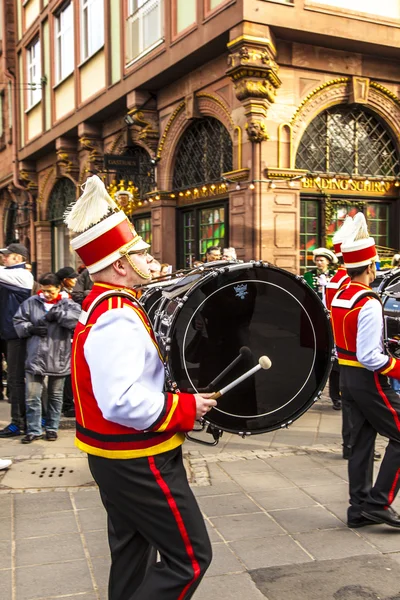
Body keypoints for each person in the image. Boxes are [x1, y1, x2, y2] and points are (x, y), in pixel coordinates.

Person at [65, 175, 214, 599]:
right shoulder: (116, 314)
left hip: (116, 457)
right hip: (138, 459)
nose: (150, 258)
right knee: (190, 557)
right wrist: (186, 408)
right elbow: (121, 401)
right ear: (118, 264)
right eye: (141, 252)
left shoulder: (107, 303)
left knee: (132, 556)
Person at [331, 213, 400, 528]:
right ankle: (378, 503)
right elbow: (370, 355)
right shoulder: (369, 302)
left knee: (360, 444)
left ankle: (358, 509)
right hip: (370, 379)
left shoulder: (341, 296)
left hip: (348, 377)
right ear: (371, 267)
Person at [13, 273, 80, 443]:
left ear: (59, 288)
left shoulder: (68, 304)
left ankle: (52, 428)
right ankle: (34, 429)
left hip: (58, 355)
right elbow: (18, 321)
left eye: (50, 291)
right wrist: (31, 328)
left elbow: (77, 321)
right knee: (32, 396)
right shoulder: (31, 302)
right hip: (36, 355)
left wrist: (58, 314)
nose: (46, 294)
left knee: (55, 395)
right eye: (43, 291)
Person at [0, 243, 33, 438]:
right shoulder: (9, 273)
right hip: (8, 333)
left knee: (16, 379)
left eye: (8, 255)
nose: (4, 258)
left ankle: (19, 422)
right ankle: (24, 420)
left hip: (17, 335)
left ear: (19, 258)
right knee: (15, 379)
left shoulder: (22, 276)